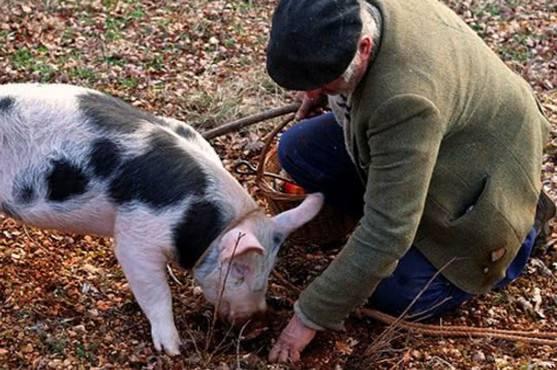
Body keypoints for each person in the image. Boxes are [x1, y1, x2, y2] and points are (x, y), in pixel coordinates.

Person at [264, 0, 555, 363]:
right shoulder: (357, 14)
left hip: (489, 168)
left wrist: (310, 316)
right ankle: (397, 195)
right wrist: (317, 83)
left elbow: (388, 231)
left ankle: (523, 227)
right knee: (297, 148)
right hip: (451, 127)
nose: (321, 89)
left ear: (364, 48)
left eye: (327, 81)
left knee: (394, 291)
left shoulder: (403, 100)